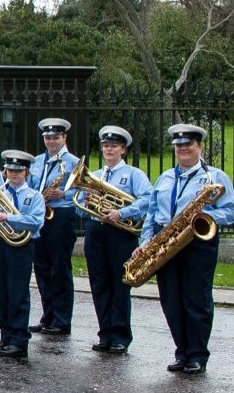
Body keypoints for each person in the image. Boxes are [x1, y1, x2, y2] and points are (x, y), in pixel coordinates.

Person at [139, 124, 234, 374]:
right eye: (179, 145)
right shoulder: (165, 177)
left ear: (199, 147)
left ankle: (197, 355)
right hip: (165, 242)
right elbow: (152, 214)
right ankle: (182, 352)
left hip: (197, 243)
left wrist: (207, 213)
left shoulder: (214, 177)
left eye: (188, 145)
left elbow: (233, 211)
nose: (183, 149)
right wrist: (144, 243)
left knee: (196, 300)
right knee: (171, 300)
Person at [79, 125, 152, 355]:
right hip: (96, 232)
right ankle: (105, 333)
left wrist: (122, 213)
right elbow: (80, 207)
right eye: (105, 146)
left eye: (113, 146)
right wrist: (87, 198)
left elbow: (148, 199)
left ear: (123, 150)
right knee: (99, 284)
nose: (108, 149)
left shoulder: (133, 175)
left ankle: (120, 336)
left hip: (120, 233)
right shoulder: (96, 176)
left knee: (119, 286)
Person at [0, 150, 45, 358]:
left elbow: (36, 222)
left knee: (18, 292)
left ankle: (19, 340)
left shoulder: (34, 196)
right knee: (1, 291)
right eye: (10, 170)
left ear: (26, 173)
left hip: (22, 246)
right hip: (2, 243)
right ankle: (6, 335)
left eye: (18, 171)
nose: (13, 174)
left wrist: (9, 217)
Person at [28, 117, 79, 335]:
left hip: (61, 214)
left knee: (59, 268)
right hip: (41, 215)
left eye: (56, 137)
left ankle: (61, 320)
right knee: (41, 267)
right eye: (48, 138)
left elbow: (85, 192)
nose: (51, 141)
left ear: (64, 138)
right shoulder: (37, 161)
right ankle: (48, 316)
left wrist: (64, 193)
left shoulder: (74, 162)